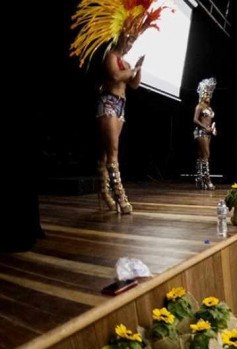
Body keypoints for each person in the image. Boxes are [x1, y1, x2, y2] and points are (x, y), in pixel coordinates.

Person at [70, 0, 166, 214]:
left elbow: (134, 84)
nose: (131, 42)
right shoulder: (111, 56)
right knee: (112, 152)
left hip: (121, 107)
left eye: (134, 39)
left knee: (105, 154)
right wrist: (131, 72)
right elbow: (115, 75)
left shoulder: (128, 62)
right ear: (122, 35)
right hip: (109, 104)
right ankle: (120, 196)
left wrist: (139, 68)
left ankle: (105, 193)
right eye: (130, 38)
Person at [193, 78, 218, 190]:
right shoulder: (199, 106)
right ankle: (207, 180)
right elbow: (195, 120)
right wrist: (205, 127)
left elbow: (210, 121)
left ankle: (199, 180)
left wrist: (212, 129)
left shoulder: (209, 108)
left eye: (210, 93)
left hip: (208, 133)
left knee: (201, 156)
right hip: (200, 132)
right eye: (206, 93)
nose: (209, 96)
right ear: (203, 94)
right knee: (206, 155)